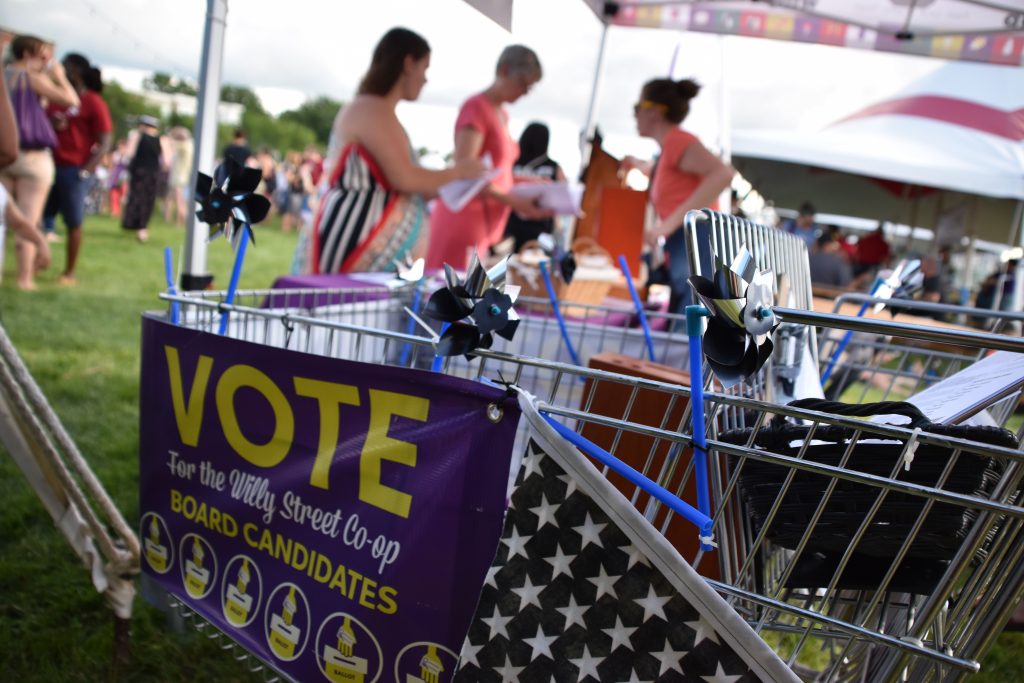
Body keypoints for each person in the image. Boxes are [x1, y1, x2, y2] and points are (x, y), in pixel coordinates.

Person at [303, 27, 485, 274]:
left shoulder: (377, 111)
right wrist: (459, 172)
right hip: (352, 251)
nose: (425, 78)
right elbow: (405, 178)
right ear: (409, 63)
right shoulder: (371, 109)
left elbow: (401, 184)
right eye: (425, 67)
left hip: (366, 263)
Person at [426, 44, 550, 271]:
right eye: (523, 84)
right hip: (464, 220)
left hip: (482, 226)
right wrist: (517, 202)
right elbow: (466, 171)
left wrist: (529, 186)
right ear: (504, 71)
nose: (524, 92)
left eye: (529, 88)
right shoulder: (477, 107)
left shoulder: (501, 113)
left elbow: (499, 172)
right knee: (450, 295)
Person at [619, 77, 734, 314]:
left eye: (637, 108)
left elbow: (722, 174)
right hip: (687, 239)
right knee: (687, 316)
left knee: (689, 319)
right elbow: (669, 178)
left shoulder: (678, 141)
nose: (635, 115)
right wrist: (637, 164)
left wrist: (666, 226)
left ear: (654, 111)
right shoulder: (671, 146)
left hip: (694, 237)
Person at [0, 34, 78, 290]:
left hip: (4, 154)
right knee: (28, 219)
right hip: (33, 158)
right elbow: (71, 101)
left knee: (3, 219)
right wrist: (60, 75)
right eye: (43, 54)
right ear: (27, 54)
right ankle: (25, 279)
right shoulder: (31, 78)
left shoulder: (4, 76)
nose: (46, 60)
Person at [43, 53, 112, 284]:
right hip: (47, 164)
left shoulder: (93, 101)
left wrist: (85, 171)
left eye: (65, 67)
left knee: (73, 222)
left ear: (75, 71)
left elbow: (105, 141)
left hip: (73, 169)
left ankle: (68, 272)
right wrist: (49, 124)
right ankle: (36, 263)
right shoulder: (55, 97)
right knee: (40, 219)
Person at [503, 121, 565, 252]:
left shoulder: (512, 163)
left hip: (510, 226)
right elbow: (564, 196)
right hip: (541, 228)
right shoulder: (553, 167)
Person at [121, 115, 166, 242]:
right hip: (153, 173)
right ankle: (143, 227)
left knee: (137, 198)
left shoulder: (136, 136)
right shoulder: (162, 139)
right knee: (148, 200)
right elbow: (166, 161)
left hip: (139, 172)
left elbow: (129, 154)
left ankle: (136, 225)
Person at [163, 126, 193, 226]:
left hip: (179, 177)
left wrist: (171, 134)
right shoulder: (190, 145)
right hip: (184, 176)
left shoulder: (184, 145)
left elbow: (169, 142)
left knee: (180, 201)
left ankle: (180, 222)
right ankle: (176, 221)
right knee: (176, 200)